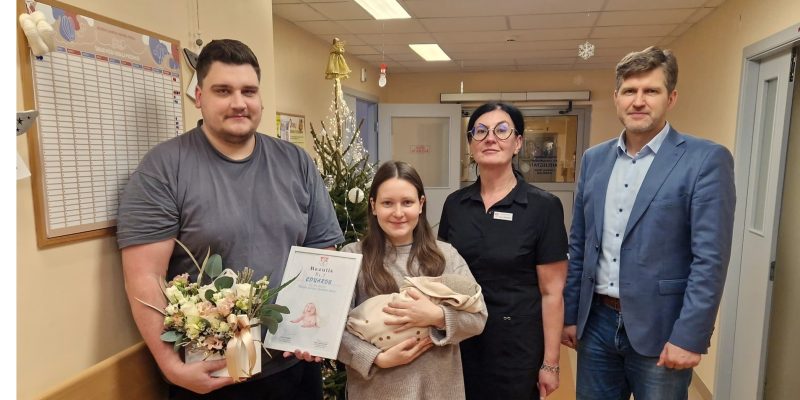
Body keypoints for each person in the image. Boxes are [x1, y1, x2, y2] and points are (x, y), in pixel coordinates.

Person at [116, 39, 343, 399]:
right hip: (212, 374)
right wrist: (171, 366)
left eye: (248, 91)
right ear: (199, 97)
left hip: (293, 365)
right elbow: (145, 276)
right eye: (223, 91)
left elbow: (322, 255)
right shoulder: (164, 169)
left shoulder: (295, 162)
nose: (239, 102)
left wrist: (314, 334)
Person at [561, 46, 736, 399]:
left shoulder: (705, 160)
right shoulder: (594, 160)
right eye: (629, 91)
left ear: (671, 98)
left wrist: (690, 335)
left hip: (663, 328)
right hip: (596, 324)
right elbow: (579, 243)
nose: (638, 101)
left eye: (651, 91)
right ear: (616, 97)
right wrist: (570, 314)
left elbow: (710, 260)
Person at [438, 102, 569, 400]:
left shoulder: (543, 207)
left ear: (518, 142)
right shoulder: (455, 205)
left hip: (516, 346)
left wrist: (551, 363)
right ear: (470, 143)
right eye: (480, 131)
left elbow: (552, 293)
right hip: (462, 340)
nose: (490, 138)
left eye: (501, 130)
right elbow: (444, 275)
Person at [338, 161, 487, 400]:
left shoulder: (446, 255)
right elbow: (331, 329)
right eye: (388, 203)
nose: (398, 213)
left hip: (438, 392)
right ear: (373, 206)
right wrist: (376, 358)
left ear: (421, 204)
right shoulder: (352, 256)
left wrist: (437, 316)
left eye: (407, 202)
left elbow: (478, 319)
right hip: (376, 392)